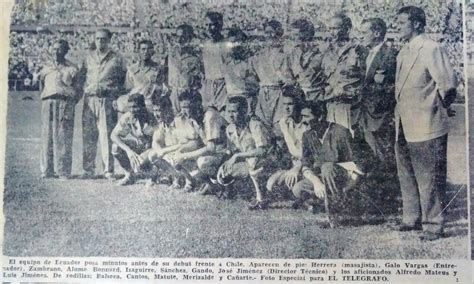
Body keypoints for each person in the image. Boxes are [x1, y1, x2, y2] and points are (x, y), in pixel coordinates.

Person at [395, 6, 457, 241]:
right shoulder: (403, 51)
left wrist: (435, 109)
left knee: (429, 176)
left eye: (402, 22)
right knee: (407, 174)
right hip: (403, 124)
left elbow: (448, 85)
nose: (397, 26)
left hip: (427, 123)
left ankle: (433, 224)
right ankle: (411, 218)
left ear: (418, 24)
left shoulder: (431, 47)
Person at [292, 103, 378, 226]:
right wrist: (316, 182)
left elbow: (361, 166)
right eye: (302, 116)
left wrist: (347, 188)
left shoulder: (340, 132)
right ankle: (329, 204)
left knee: (327, 167)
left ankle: (335, 216)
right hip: (325, 180)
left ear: (320, 116)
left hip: (348, 180)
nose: (303, 121)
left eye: (307, 116)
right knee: (298, 189)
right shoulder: (307, 135)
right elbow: (305, 165)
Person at [358, 18, 400, 213]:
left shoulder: (390, 55)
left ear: (376, 33)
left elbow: (395, 87)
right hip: (364, 115)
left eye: (364, 32)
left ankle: (390, 202)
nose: (361, 36)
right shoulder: (364, 54)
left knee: (385, 157)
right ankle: (377, 200)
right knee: (372, 157)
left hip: (380, 116)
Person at [80, 29, 127, 179]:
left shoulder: (117, 58)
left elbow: (124, 80)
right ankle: (88, 169)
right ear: (94, 40)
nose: (100, 41)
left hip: (107, 100)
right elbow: (80, 78)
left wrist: (116, 96)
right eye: (98, 39)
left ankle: (108, 169)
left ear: (109, 40)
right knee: (88, 135)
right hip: (89, 100)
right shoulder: (88, 58)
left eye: (104, 39)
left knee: (106, 135)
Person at [217, 96, 273, 210]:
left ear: (243, 111)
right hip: (250, 163)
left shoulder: (254, 124)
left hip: (268, 163)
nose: (231, 115)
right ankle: (232, 191)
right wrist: (223, 166)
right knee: (225, 170)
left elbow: (262, 151)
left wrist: (237, 156)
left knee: (253, 162)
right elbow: (232, 151)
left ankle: (261, 199)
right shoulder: (230, 129)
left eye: (235, 111)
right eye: (229, 111)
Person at [39, 39, 80, 179]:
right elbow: (41, 86)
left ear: (66, 51)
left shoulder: (72, 68)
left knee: (63, 136)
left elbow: (78, 89)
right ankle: (47, 170)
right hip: (48, 102)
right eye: (54, 49)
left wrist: (70, 103)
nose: (56, 52)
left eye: (60, 49)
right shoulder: (46, 68)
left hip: (65, 103)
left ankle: (63, 171)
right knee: (47, 136)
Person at [321, 13, 367, 134]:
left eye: (335, 28)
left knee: (348, 142)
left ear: (346, 29)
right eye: (330, 28)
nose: (331, 32)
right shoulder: (326, 51)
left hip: (349, 106)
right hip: (330, 104)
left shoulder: (358, 50)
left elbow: (365, 78)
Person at [172, 102, 228, 195]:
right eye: (182, 107)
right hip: (214, 152)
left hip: (225, 153)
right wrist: (180, 151)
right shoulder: (192, 118)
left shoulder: (210, 116)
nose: (184, 111)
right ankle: (211, 186)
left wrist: (185, 156)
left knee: (202, 162)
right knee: (179, 157)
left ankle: (225, 186)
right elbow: (197, 141)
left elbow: (211, 147)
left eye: (187, 107)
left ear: (197, 105)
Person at [266, 86, 310, 199]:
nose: (286, 108)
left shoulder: (307, 124)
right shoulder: (283, 123)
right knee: (271, 184)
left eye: (290, 104)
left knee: (297, 189)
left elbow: (312, 154)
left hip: (308, 166)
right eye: (284, 104)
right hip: (294, 165)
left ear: (298, 105)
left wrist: (297, 168)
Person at [111, 94, 155, 186]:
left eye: (135, 107)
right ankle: (129, 175)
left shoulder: (152, 117)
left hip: (154, 149)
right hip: (140, 146)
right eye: (130, 107)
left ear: (142, 106)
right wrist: (129, 151)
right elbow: (113, 135)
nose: (132, 110)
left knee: (143, 161)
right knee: (115, 147)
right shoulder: (128, 116)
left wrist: (146, 154)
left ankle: (154, 176)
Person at [252, 20, 287, 129]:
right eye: (267, 32)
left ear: (279, 33)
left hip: (278, 92)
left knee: (279, 126)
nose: (270, 35)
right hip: (263, 92)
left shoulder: (286, 52)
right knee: (263, 126)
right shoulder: (260, 54)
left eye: (272, 32)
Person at [119, 39, 168, 114]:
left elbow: (161, 90)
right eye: (143, 49)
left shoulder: (158, 69)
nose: (146, 52)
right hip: (136, 106)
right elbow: (128, 89)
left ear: (152, 52)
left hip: (151, 106)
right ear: (138, 51)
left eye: (149, 49)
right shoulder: (132, 69)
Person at [284, 19, 325, 103]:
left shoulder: (321, 52)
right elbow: (288, 74)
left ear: (306, 35)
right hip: (298, 97)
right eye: (292, 35)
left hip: (316, 98)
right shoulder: (292, 54)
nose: (293, 38)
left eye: (296, 35)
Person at [168, 24, 204, 118]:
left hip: (188, 95)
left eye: (183, 37)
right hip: (174, 93)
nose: (179, 40)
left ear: (190, 38)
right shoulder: (171, 56)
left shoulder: (196, 58)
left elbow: (200, 80)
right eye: (177, 37)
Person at [222, 27, 259, 115]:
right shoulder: (227, 63)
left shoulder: (250, 61)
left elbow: (256, 85)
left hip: (246, 101)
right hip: (231, 102)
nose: (233, 46)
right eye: (230, 42)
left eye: (236, 42)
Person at [201, 11, 228, 112]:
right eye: (206, 25)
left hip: (222, 85)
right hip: (208, 85)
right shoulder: (205, 45)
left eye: (212, 25)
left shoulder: (226, 45)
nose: (208, 29)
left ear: (220, 26)